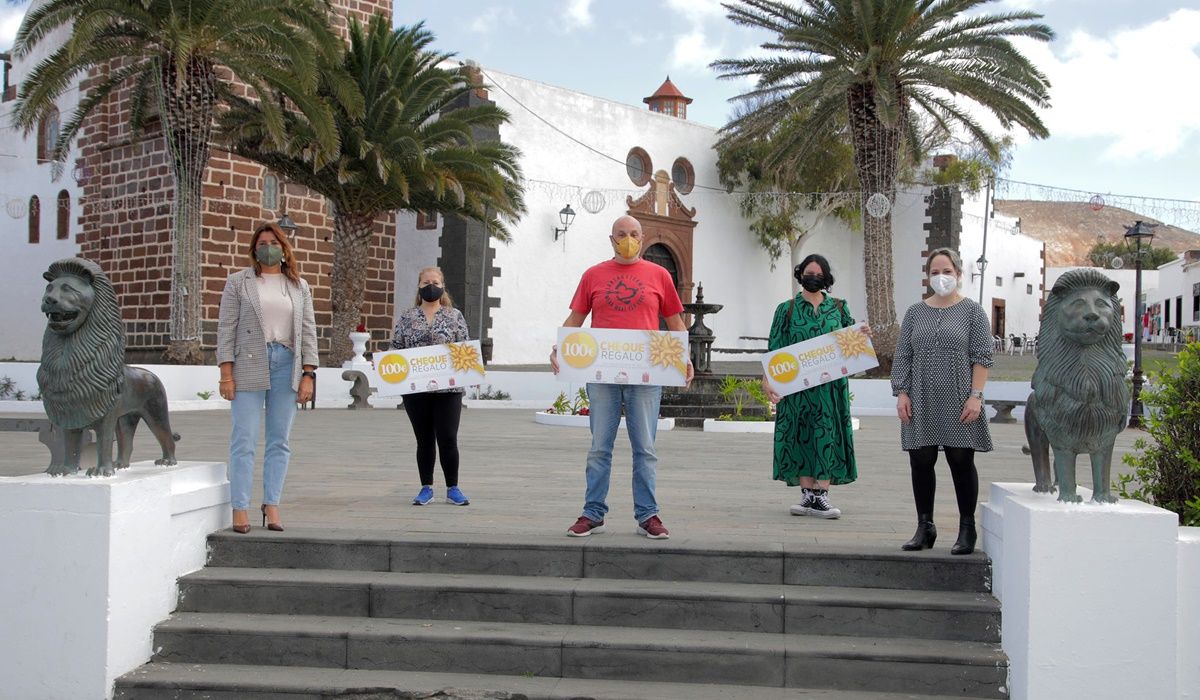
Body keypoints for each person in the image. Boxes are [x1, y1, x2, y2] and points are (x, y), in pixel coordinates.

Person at [550, 215, 694, 539]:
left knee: (645, 447)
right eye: (621, 234)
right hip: (602, 373)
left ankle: (648, 515)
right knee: (600, 447)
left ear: (641, 238)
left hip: (647, 372)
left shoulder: (659, 276)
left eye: (633, 234)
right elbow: (576, 316)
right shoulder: (593, 275)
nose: (627, 238)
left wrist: (685, 357)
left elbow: (674, 321)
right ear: (611, 238)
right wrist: (558, 347)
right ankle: (592, 512)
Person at [217, 222, 318, 534]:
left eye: (273, 241)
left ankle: (271, 502)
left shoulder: (300, 286)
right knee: (243, 438)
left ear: (284, 247)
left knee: (279, 440)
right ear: (254, 248)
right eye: (261, 242)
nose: (267, 246)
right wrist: (226, 374)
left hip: (286, 362)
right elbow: (226, 328)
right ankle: (240, 506)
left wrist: (308, 374)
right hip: (249, 361)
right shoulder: (238, 283)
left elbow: (308, 332)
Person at [891, 248, 993, 555]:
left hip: (959, 396)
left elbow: (982, 358)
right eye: (934, 272)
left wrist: (975, 397)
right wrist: (902, 392)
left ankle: (967, 528)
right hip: (920, 396)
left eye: (946, 271)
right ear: (927, 277)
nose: (941, 277)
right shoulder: (914, 313)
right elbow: (904, 355)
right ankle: (925, 526)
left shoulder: (973, 312)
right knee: (920, 460)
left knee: (961, 460)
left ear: (958, 274)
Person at [763, 254, 862, 518]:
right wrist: (767, 379)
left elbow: (851, 344)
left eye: (818, 273)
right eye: (809, 272)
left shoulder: (839, 308)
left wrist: (864, 336)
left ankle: (822, 495)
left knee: (828, 433)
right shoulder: (787, 309)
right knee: (801, 433)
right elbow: (775, 347)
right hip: (797, 387)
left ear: (826, 278)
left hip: (830, 390)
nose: (813, 277)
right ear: (800, 274)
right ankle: (807, 495)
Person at [392, 266, 471, 507]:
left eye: (435, 281)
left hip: (448, 391)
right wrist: (386, 365)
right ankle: (426, 487)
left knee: (448, 438)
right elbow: (396, 347)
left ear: (442, 286)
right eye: (426, 282)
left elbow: (465, 349)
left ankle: (453, 488)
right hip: (416, 390)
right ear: (419, 286)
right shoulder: (407, 317)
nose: (430, 286)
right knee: (424, 439)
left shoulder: (454, 316)